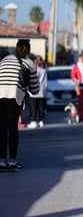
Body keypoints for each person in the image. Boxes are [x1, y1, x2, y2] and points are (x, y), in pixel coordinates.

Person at [0, 39, 39, 171]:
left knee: (2, 129)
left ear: (16, 48)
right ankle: (12, 161)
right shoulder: (30, 64)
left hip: (0, 96)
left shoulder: (4, 60)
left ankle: (2, 161)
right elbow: (35, 89)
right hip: (14, 97)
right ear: (28, 51)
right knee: (12, 129)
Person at [27, 56, 48, 128]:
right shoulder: (44, 70)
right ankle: (41, 121)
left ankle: (33, 121)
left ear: (35, 61)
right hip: (42, 91)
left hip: (34, 90)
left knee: (33, 106)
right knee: (40, 106)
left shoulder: (34, 69)